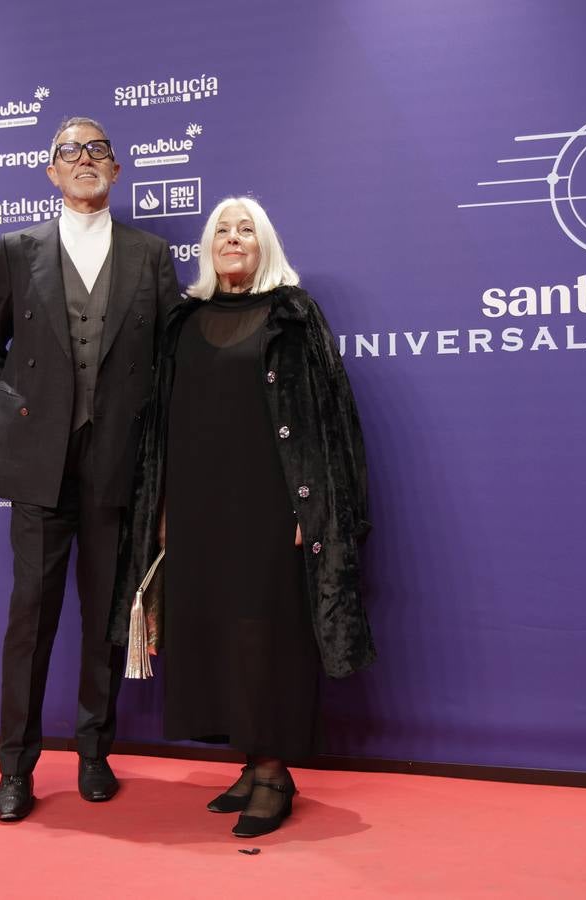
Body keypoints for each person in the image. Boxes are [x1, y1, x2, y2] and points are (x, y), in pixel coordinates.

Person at [111, 196, 375, 838]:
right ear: (208, 248)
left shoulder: (293, 315)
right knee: (216, 635)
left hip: (271, 502)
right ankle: (248, 763)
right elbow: (163, 429)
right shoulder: (183, 321)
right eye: (222, 230)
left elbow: (328, 416)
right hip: (200, 508)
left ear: (265, 246)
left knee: (266, 637)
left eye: (246, 230)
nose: (233, 238)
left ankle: (274, 773)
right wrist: (164, 509)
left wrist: (310, 506)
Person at [0, 116, 180, 821]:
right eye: (70, 152)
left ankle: (94, 752)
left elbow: (168, 364)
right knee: (30, 618)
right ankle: (16, 767)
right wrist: (9, 419)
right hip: (38, 463)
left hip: (115, 457)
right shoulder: (17, 248)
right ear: (50, 171)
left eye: (97, 151)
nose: (84, 160)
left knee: (102, 617)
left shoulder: (151, 255)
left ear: (116, 172)